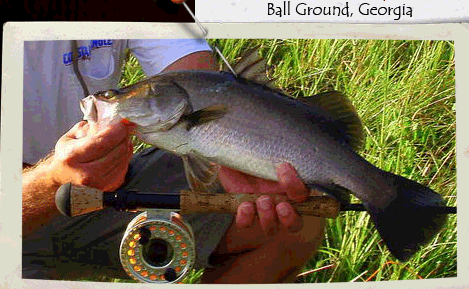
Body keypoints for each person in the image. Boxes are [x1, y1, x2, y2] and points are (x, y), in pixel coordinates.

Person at [22, 38, 325, 283]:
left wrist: (223, 149)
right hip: (16, 216)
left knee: (297, 214)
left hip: (105, 191)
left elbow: (194, 78)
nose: (113, 100)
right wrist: (52, 180)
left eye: (118, 95)